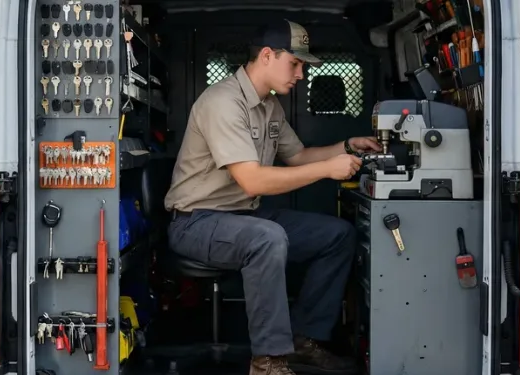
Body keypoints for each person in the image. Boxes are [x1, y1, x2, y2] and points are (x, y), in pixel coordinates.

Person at [163, 19, 382, 375]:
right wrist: (328, 170)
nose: (300, 74)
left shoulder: (270, 107)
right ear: (267, 55)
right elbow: (252, 182)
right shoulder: (222, 102)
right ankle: (268, 363)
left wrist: (346, 146)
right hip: (197, 222)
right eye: (294, 64)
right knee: (267, 238)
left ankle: (302, 340)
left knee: (338, 236)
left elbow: (297, 157)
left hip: (242, 218)